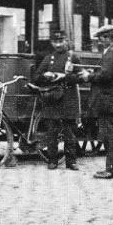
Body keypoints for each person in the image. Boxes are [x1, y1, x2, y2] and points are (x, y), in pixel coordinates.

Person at [79, 24, 113, 179]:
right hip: (111, 99)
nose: (100, 41)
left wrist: (89, 76)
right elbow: (106, 72)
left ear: (109, 37)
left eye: (101, 38)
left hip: (108, 100)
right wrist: (95, 73)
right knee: (110, 134)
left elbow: (106, 75)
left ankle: (112, 169)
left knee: (110, 136)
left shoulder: (112, 53)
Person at [32, 29, 82, 171]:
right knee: (51, 132)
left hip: (68, 98)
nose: (58, 44)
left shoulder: (73, 57)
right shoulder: (49, 58)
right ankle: (52, 160)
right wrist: (46, 75)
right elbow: (36, 77)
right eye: (55, 42)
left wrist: (64, 77)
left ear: (66, 41)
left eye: (61, 41)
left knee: (69, 133)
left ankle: (71, 162)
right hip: (53, 99)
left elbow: (81, 77)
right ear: (52, 43)